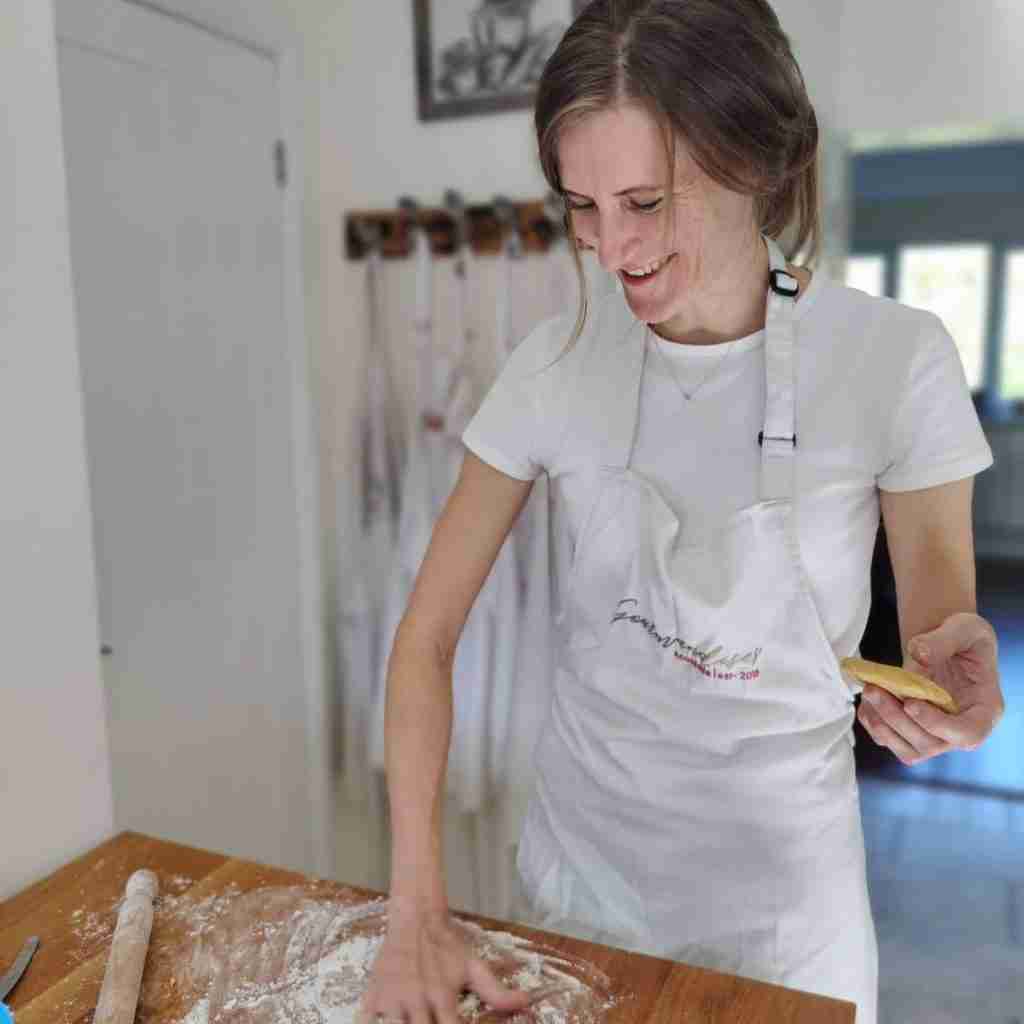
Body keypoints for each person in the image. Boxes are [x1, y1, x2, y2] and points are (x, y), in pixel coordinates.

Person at [358, 2, 1005, 1023]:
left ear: (757, 160)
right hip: (581, 894)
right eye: (581, 205)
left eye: (644, 202)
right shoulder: (555, 365)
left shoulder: (893, 358)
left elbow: (938, 629)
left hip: (786, 919)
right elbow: (425, 637)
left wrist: (951, 679)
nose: (610, 251)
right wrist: (416, 906)